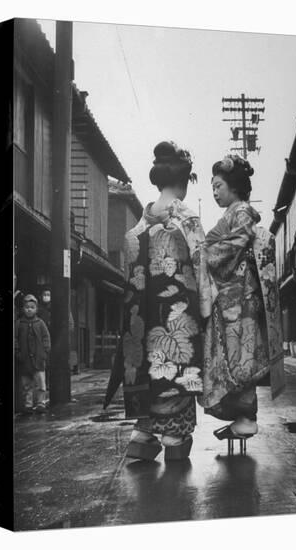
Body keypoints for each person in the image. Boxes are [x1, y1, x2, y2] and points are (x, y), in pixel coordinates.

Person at [105, 141, 214, 461]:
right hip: (178, 318)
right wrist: (207, 316)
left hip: (143, 319)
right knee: (176, 370)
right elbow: (203, 273)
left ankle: (143, 434)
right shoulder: (188, 219)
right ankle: (173, 437)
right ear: (184, 179)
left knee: (146, 371)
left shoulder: (140, 224)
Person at [200, 154, 285, 441]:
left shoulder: (242, 213)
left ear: (233, 186)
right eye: (212, 187)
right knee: (234, 356)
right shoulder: (234, 213)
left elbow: (233, 246)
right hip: (231, 297)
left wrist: (206, 254)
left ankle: (246, 417)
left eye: (218, 185)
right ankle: (242, 416)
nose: (214, 192)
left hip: (240, 297)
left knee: (240, 357)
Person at [15, 294, 51, 414]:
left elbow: (46, 338)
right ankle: (28, 404)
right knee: (27, 385)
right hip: (24, 360)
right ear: (23, 309)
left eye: (32, 307)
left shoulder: (40, 323)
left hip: (38, 359)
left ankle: (41, 403)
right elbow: (15, 339)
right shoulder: (19, 324)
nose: (29, 309)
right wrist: (17, 352)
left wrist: (45, 352)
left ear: (36, 309)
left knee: (41, 383)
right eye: (27, 307)